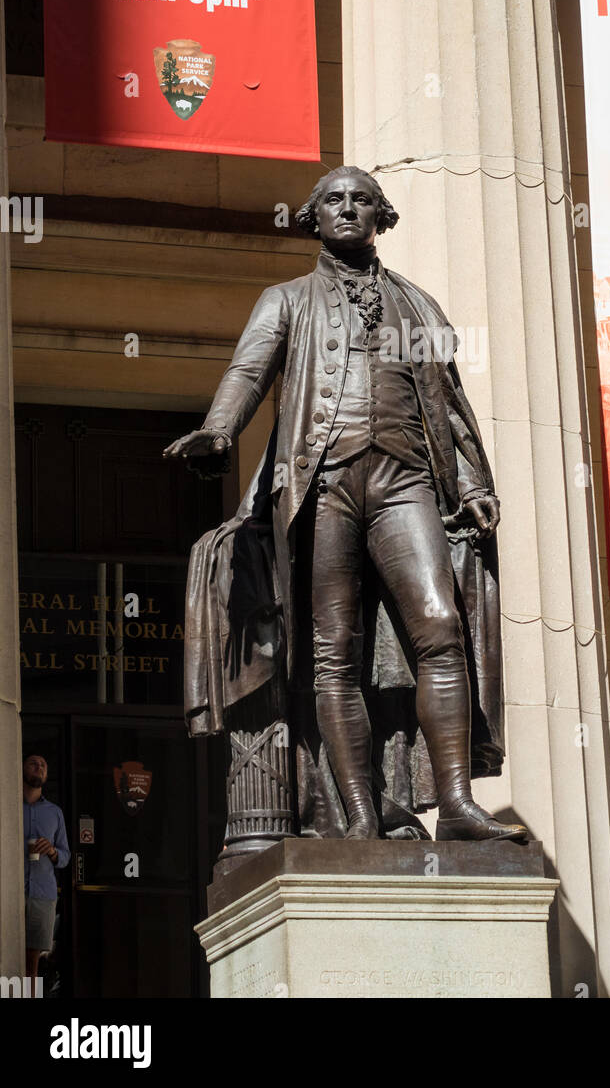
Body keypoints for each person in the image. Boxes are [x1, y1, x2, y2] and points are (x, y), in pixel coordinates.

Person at [166, 166, 526, 846]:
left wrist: (475, 482)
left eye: (363, 200)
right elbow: (249, 371)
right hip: (323, 485)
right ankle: (359, 812)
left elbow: (448, 402)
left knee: (439, 626)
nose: (348, 209)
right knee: (333, 651)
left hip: (404, 479)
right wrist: (221, 429)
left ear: (381, 216)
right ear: (315, 216)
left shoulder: (417, 306)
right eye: (334, 199)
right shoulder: (287, 299)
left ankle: (454, 800)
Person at [22, 755, 69, 982]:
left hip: (42, 894)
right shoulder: (9, 806)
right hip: (11, 892)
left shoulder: (55, 813)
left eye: (43, 765)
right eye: (33, 763)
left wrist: (52, 851)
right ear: (22, 768)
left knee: (32, 963)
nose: (39, 767)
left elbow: (66, 856)